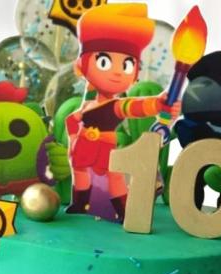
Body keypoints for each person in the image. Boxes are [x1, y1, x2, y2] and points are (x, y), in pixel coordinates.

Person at [66, 3, 181, 222]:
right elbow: (73, 118)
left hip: (106, 149)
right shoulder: (88, 101)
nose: (117, 72)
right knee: (80, 172)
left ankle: (125, 210)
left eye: (127, 64)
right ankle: (80, 202)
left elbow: (136, 107)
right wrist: (73, 138)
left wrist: (158, 103)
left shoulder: (116, 106)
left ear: (136, 73)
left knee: (115, 176)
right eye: (104, 62)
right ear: (81, 66)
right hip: (82, 147)